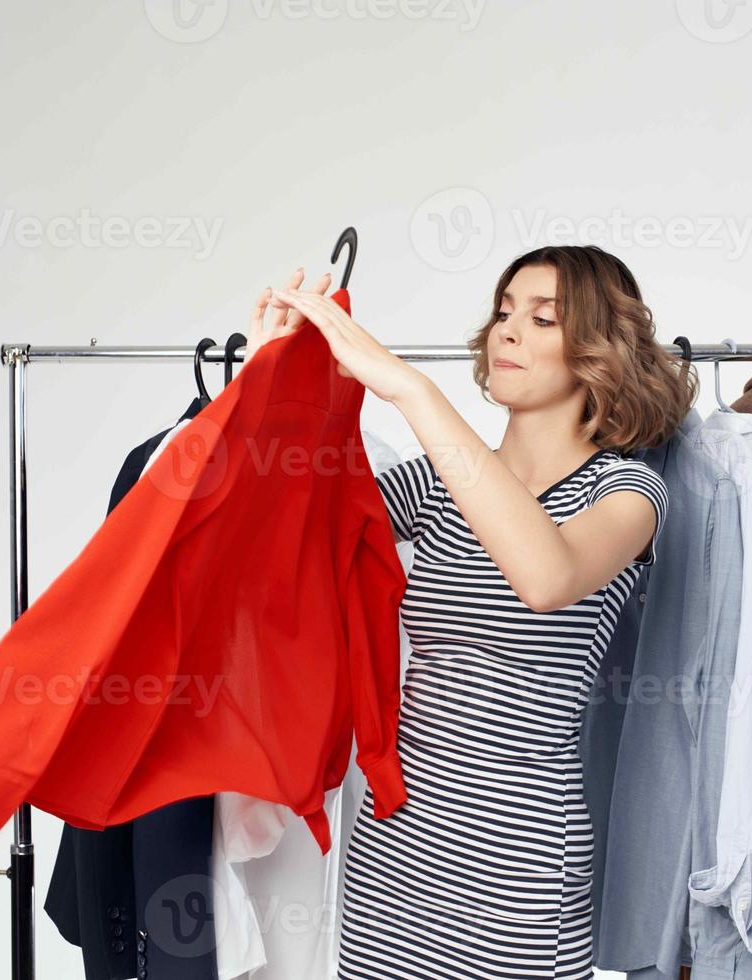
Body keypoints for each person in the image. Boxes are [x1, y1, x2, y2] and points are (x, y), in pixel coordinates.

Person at [246, 244, 695, 978]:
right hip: (395, 855)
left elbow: (546, 576)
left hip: (519, 869)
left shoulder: (628, 495)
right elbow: (276, 556)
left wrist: (411, 392)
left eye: (542, 318)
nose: (508, 331)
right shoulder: (428, 484)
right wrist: (265, 391)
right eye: (502, 311)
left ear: (599, 352)